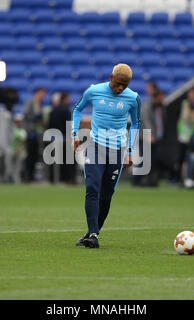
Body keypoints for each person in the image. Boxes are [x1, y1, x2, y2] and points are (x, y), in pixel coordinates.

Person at [72, 64, 141, 249]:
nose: (121, 88)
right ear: (111, 77)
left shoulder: (133, 98)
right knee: (92, 188)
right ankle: (93, 233)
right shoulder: (94, 91)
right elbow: (77, 109)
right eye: (118, 83)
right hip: (95, 146)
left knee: (107, 195)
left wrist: (131, 151)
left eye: (125, 85)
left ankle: (91, 233)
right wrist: (74, 135)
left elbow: (135, 124)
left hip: (117, 151)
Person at [174, 87, 194, 183]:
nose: (190, 97)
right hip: (183, 135)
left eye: (192, 94)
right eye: (189, 95)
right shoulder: (185, 104)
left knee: (193, 158)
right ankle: (177, 178)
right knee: (180, 158)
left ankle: (193, 178)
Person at [48, 92, 75, 184]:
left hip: (53, 138)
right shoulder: (66, 110)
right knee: (69, 159)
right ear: (65, 99)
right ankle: (68, 179)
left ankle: (53, 179)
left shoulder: (53, 110)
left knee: (53, 160)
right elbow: (69, 125)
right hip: (65, 139)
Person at [22, 87, 47, 182]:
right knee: (29, 155)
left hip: (36, 133)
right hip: (29, 133)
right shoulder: (30, 102)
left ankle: (31, 175)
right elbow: (26, 114)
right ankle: (27, 175)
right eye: (42, 94)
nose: (43, 96)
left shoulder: (39, 105)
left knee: (34, 155)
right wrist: (36, 117)